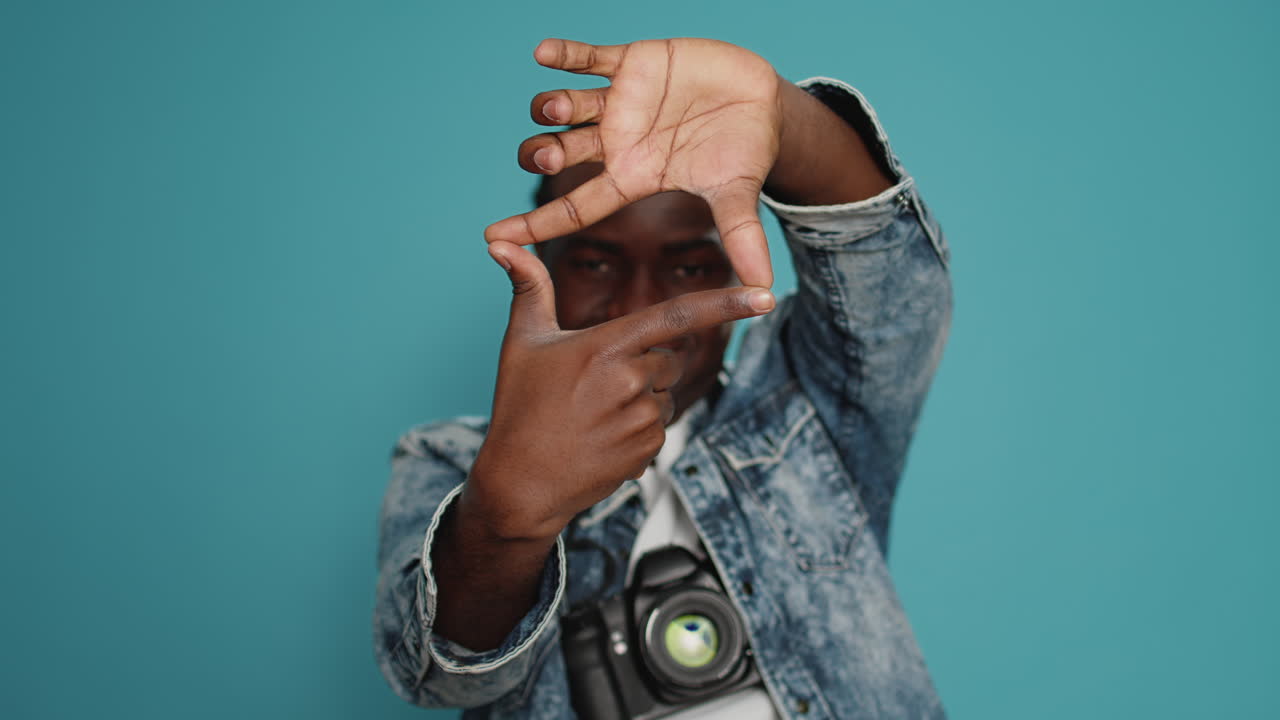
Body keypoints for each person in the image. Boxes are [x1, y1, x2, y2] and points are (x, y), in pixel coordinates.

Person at [374, 37, 951, 719]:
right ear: (544, 270)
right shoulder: (448, 462)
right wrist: (505, 514)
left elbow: (894, 285)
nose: (642, 307)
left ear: (737, 268)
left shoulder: (805, 413)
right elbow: (445, 679)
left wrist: (781, 119)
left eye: (686, 267)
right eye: (592, 263)